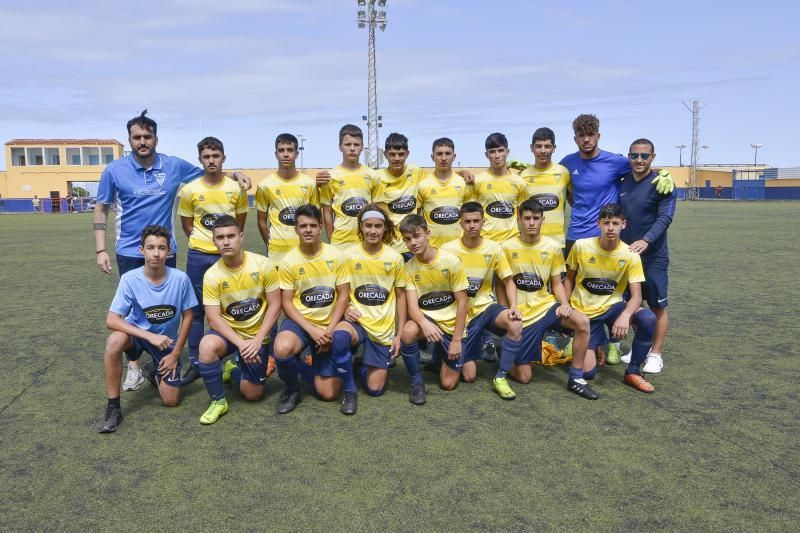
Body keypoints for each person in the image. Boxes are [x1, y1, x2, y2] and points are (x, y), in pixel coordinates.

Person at [93, 110, 251, 391]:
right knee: (131, 311)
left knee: (171, 308)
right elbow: (101, 208)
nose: (142, 141)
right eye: (136, 137)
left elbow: (210, 171)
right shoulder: (114, 170)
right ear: (129, 140)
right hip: (130, 250)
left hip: (166, 250)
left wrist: (237, 173)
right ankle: (134, 367)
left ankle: (168, 356)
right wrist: (100, 249)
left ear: (155, 138)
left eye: (147, 136)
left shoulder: (173, 166)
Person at [559, 114, 671, 364]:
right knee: (577, 288)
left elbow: (642, 168)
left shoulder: (616, 162)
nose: (586, 139)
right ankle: (579, 340)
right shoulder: (567, 162)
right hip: (576, 236)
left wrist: (664, 174)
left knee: (614, 291)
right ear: (575, 137)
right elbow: (556, 182)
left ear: (598, 135)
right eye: (581, 135)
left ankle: (613, 343)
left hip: (606, 235)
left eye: (591, 134)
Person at [97, 225, 196, 433]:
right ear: (141, 250)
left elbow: (189, 316)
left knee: (171, 400)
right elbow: (112, 320)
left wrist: (176, 353)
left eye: (162, 248)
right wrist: (149, 336)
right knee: (115, 340)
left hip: (166, 343)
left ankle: (153, 372)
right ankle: (113, 407)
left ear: (169, 251)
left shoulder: (180, 279)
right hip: (138, 337)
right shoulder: (130, 279)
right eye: (151, 247)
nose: (156, 253)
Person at [496, 200, 596, 400]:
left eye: (535, 218)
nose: (531, 223)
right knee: (524, 377)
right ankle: (505, 348)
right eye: (527, 218)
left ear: (543, 220)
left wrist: (565, 304)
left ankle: (576, 379)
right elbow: (500, 284)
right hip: (521, 315)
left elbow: (557, 283)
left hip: (546, 307)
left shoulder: (552, 247)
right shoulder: (506, 247)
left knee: (582, 321)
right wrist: (504, 311)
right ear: (519, 220)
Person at [176, 137, 249, 384]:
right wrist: (205, 244)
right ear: (200, 160)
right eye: (206, 157)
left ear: (223, 158)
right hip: (199, 256)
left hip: (228, 257)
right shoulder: (189, 190)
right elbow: (188, 226)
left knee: (234, 307)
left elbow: (239, 223)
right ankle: (197, 361)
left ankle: (235, 357)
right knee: (196, 310)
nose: (211, 161)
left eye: (215, 156)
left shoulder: (235, 188)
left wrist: (226, 247)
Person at [196, 216, 281, 425]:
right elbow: (213, 318)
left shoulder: (263, 264)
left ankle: (233, 368)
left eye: (231, 236)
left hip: (257, 336)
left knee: (253, 395)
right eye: (220, 237)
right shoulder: (212, 275)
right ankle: (218, 401)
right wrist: (241, 344)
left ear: (240, 237)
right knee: (206, 346)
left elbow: (275, 305)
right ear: (214, 241)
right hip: (230, 335)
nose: (226, 242)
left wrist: (258, 340)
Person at [564, 203, 657, 393]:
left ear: (624, 224)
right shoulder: (581, 246)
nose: (610, 228)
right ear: (598, 223)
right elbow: (568, 280)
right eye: (606, 223)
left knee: (647, 318)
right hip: (585, 313)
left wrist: (625, 315)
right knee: (588, 374)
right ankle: (594, 344)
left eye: (615, 223)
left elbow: (637, 296)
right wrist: (565, 306)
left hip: (613, 308)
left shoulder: (630, 255)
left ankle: (633, 372)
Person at [273, 204, 351, 414]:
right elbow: (286, 302)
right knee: (281, 349)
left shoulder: (336, 255)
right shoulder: (288, 261)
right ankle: (292, 388)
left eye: (313, 226)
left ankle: (314, 365)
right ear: (296, 229)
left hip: (329, 323)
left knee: (328, 394)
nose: (308, 230)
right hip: (301, 322)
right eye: (303, 226)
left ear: (321, 228)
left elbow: (344, 294)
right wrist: (313, 331)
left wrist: (329, 330)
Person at [330, 204, 406, 414]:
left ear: (385, 229)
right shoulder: (348, 255)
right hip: (356, 321)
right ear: (361, 228)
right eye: (368, 225)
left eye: (378, 226)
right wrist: (345, 309)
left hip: (382, 328)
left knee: (375, 389)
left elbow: (401, 297)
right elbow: (340, 291)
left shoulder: (395, 258)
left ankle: (359, 366)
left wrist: (399, 334)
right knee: (339, 336)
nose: (373, 230)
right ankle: (349, 390)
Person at [442, 202, 522, 386]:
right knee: (466, 377)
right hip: (458, 315)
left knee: (515, 323)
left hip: (485, 308)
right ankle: (444, 353)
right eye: (467, 221)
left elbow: (509, 281)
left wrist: (514, 307)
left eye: (476, 221)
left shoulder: (494, 248)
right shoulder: (448, 250)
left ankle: (501, 375)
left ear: (483, 222)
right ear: (460, 223)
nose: (472, 225)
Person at [619, 139, 676, 374]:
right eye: (634, 156)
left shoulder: (663, 184)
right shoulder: (622, 183)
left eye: (644, 156)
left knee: (656, 306)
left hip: (653, 257)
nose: (639, 160)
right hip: (627, 257)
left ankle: (656, 354)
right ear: (629, 156)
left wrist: (647, 240)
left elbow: (665, 217)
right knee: (633, 304)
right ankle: (640, 348)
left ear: (653, 157)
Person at [398, 214, 469, 403]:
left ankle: (441, 355)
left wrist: (456, 340)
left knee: (450, 383)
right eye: (407, 239)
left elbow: (462, 302)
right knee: (408, 331)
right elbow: (412, 306)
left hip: (452, 325)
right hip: (428, 321)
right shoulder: (408, 268)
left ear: (428, 234)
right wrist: (423, 323)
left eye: (416, 236)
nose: (412, 242)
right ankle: (417, 381)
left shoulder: (451, 261)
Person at [255, 133, 319, 265]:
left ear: (296, 154)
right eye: (281, 150)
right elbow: (261, 221)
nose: (285, 154)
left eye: (290, 150)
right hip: (277, 254)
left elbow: (316, 219)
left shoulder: (309, 184)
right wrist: (271, 243)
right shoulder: (265, 185)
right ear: (276, 154)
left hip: (304, 252)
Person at [318, 125, 380, 247]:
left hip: (366, 242)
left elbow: (378, 210)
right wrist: (332, 240)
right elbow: (327, 212)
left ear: (362, 147)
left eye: (356, 145)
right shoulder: (330, 177)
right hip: (340, 243)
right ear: (340, 146)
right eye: (348, 144)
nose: (352, 149)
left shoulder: (373, 175)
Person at [517, 127, 571, 251]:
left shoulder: (564, 173)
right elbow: (518, 211)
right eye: (538, 146)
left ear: (554, 148)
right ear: (532, 148)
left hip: (557, 243)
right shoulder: (522, 176)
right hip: (530, 243)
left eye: (547, 146)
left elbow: (574, 200)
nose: (543, 151)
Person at [470, 133, 527, 243]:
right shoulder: (477, 181)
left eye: (500, 150)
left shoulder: (519, 183)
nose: (497, 155)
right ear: (487, 155)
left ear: (507, 152)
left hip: (511, 242)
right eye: (492, 152)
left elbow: (522, 218)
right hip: (486, 242)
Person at [416, 138, 473, 248]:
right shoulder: (423, 185)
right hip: (432, 248)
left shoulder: (463, 183)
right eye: (439, 154)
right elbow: (417, 218)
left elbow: (469, 216)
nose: (443, 158)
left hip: (459, 247)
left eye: (447, 153)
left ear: (454, 157)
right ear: (432, 157)